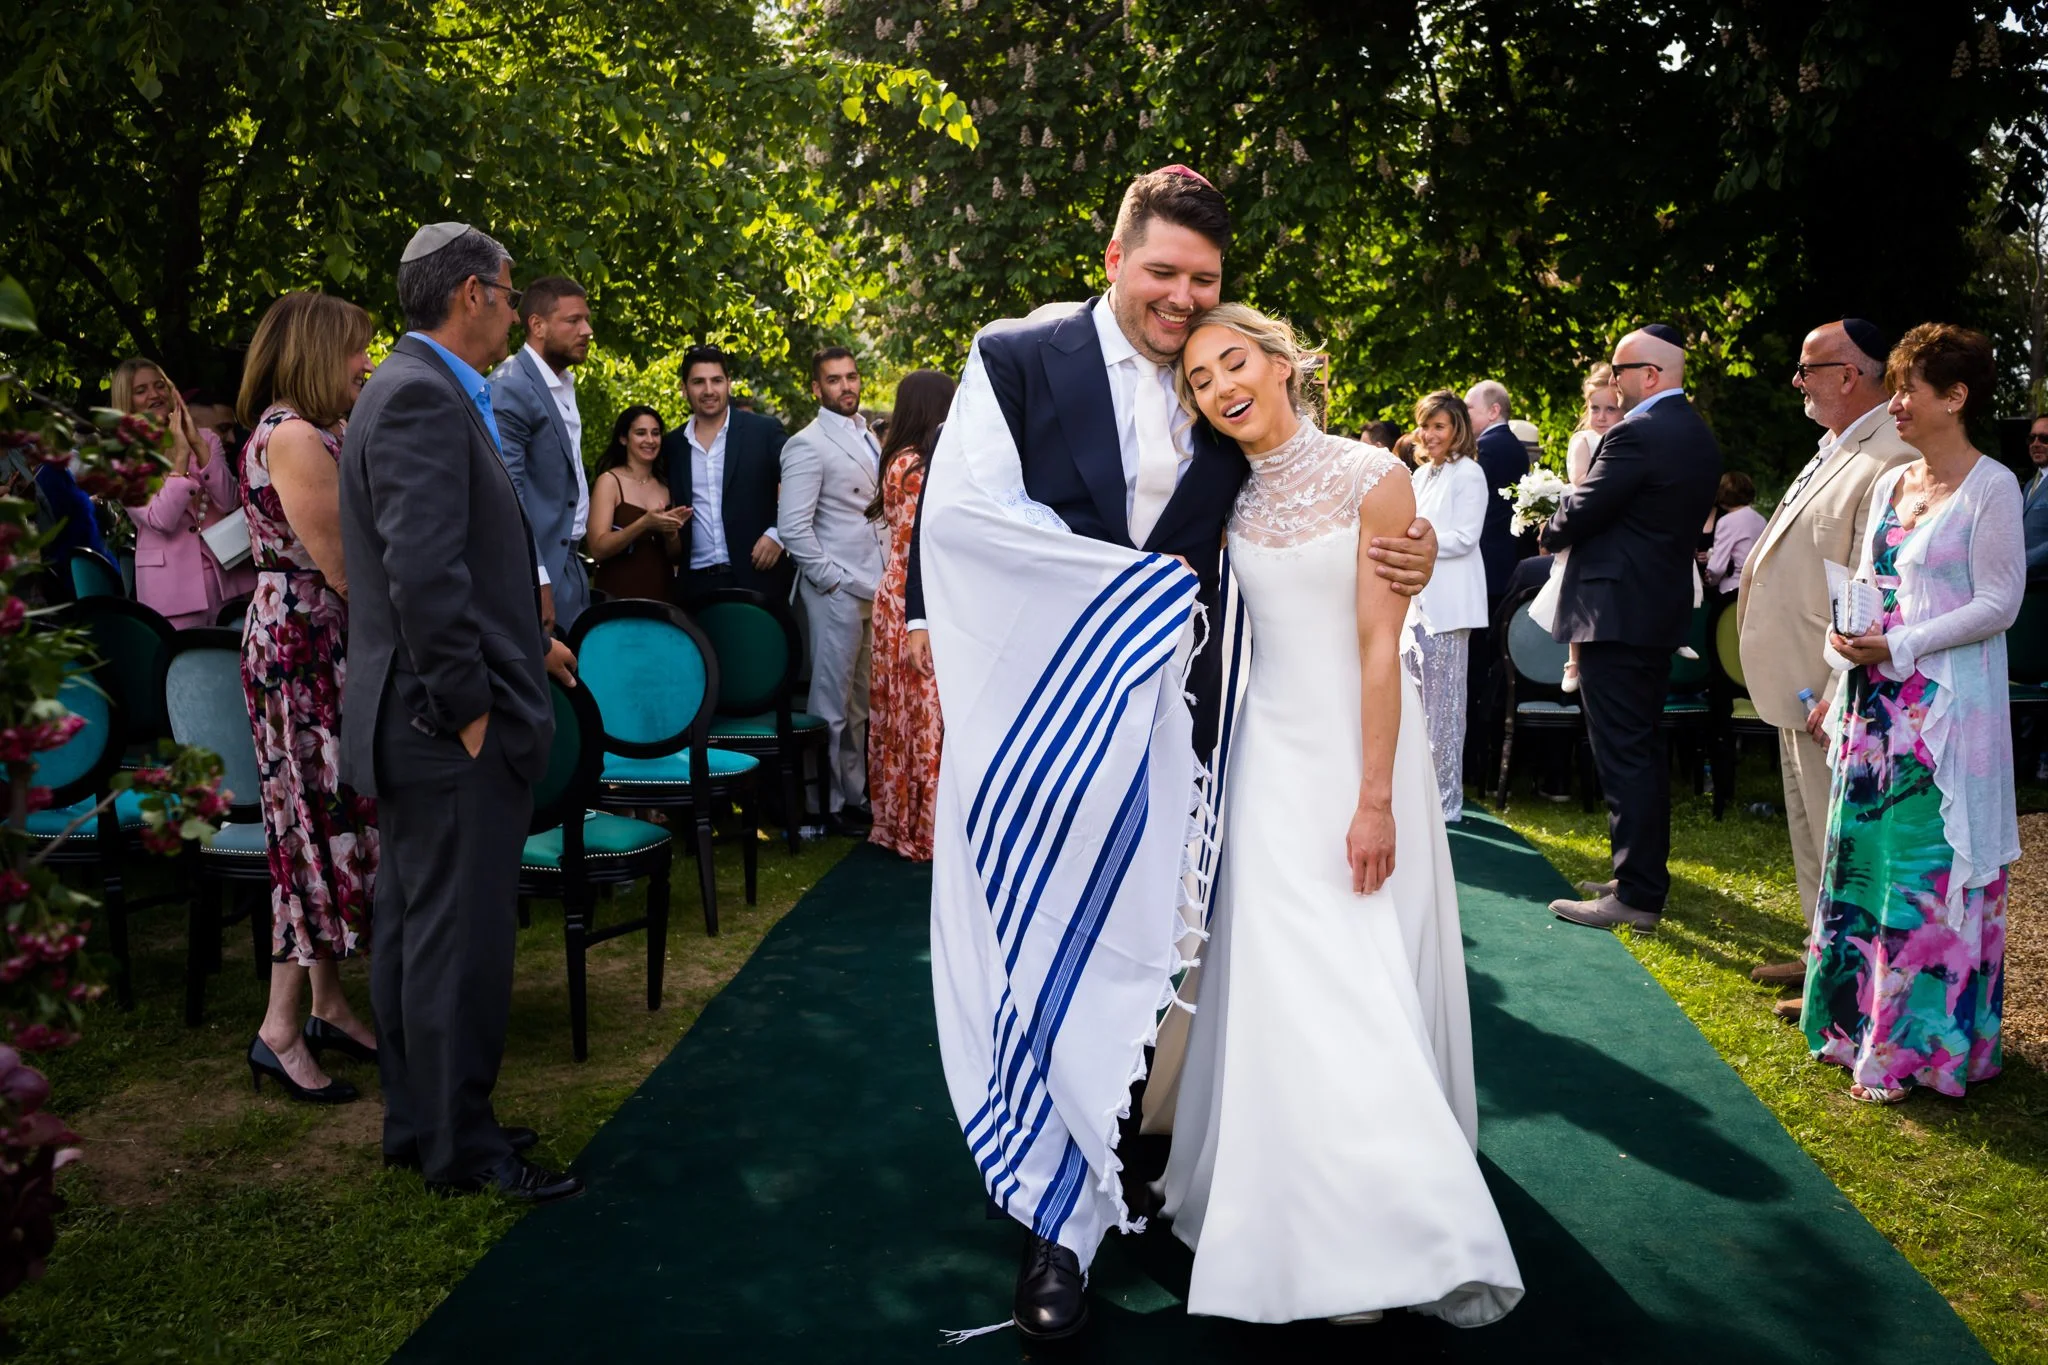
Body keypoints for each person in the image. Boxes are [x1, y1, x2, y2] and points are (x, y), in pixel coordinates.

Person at [919, 166, 1440, 1346]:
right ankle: (1053, 1224)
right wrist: (1129, 603)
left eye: (1202, 280)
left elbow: (1319, 500)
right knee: (1044, 952)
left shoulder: (1223, 392)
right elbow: (962, 523)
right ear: (1112, 259)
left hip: (1190, 736)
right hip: (1045, 728)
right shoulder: (1013, 357)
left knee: (1163, 948)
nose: (1180, 297)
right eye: (1161, 272)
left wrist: (1413, 552)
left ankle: (1139, 1161)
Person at [1157, 306, 1520, 1325]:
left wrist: (1372, 801)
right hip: (1261, 758)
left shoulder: (1372, 478)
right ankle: (1282, 1207)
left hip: (1359, 754)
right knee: (1286, 974)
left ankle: (1389, 1221)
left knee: (1352, 968)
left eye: (1234, 362)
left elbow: (1376, 649)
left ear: (1281, 366)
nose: (1220, 385)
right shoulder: (1217, 490)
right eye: (1197, 377)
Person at [337, 221, 581, 1204]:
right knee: (456, 941)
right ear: (471, 293)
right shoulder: (418, 399)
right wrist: (472, 710)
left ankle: (426, 1123)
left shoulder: (417, 391)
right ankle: (463, 1148)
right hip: (442, 727)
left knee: (416, 931)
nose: (516, 310)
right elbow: (422, 578)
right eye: (510, 291)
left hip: (427, 721)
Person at [1804, 323, 2018, 1104]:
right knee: (1866, 870)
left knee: (1923, 879)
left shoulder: (1992, 486)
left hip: (1943, 717)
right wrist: (1840, 657)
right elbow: (1866, 584)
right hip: (1874, 712)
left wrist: (1901, 645)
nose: (1893, 402)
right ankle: (1852, 1027)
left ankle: (1919, 1050)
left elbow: (2001, 602)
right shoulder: (1895, 483)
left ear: (1955, 397)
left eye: (1908, 388)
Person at [1738, 319, 1915, 997]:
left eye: (1808, 368)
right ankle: (1821, 952)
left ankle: (1846, 977)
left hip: (1830, 677)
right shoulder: (1837, 444)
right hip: (1794, 675)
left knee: (1843, 834)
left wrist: (1840, 682)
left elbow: (1871, 582)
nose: (1796, 379)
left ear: (1849, 375)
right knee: (1810, 827)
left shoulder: (1890, 455)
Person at [235, 292, 382, 1104]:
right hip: (303, 648)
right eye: (357, 349)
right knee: (306, 830)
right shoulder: (292, 435)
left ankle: (326, 1003)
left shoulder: (305, 427)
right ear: (318, 350)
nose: (366, 362)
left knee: (317, 826)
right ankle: (280, 1027)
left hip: (308, 640)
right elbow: (346, 569)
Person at [1541, 325, 1720, 932]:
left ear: (1651, 376)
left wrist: (1550, 525)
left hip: (1615, 614)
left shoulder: (1637, 433)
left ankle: (1639, 894)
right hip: (1654, 609)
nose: (1613, 386)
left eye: (1620, 373)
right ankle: (1635, 873)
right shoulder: (1697, 434)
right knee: (1637, 748)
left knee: (1625, 755)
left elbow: (1585, 507)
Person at [778, 346, 887, 834]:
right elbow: (794, 528)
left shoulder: (869, 434)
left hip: (876, 585)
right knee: (828, 705)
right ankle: (821, 807)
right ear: (816, 388)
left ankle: (853, 794)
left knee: (860, 704)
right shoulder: (807, 444)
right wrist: (834, 580)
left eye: (851, 376)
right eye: (834, 380)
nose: (846, 386)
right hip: (836, 590)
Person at [865, 370, 954, 862]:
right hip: (916, 596)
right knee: (924, 713)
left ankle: (898, 818)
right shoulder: (919, 467)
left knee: (902, 714)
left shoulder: (896, 459)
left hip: (893, 593)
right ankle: (925, 827)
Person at [110, 357, 257, 626]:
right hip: (172, 592)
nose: (154, 394)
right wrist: (180, 456)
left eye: (159, 385)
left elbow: (228, 500)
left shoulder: (206, 438)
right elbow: (162, 520)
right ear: (127, 402)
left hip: (231, 579)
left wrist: (198, 446)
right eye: (141, 390)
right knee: (191, 667)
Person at [489, 276, 594, 637]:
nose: (587, 330)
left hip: (570, 561)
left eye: (587, 319)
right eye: (573, 321)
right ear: (537, 325)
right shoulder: (512, 387)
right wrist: (538, 578)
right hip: (539, 567)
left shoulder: (561, 383)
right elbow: (509, 494)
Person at [1408, 389, 1490, 821]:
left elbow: (1465, 537)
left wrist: (1419, 542)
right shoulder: (1421, 476)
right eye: (1425, 425)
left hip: (1450, 602)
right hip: (1415, 600)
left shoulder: (1469, 473)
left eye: (1439, 425)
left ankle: (1444, 801)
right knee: (1415, 704)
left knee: (1444, 706)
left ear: (1457, 429)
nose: (1430, 433)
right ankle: (1414, 793)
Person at [661, 344, 790, 600]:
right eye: (698, 382)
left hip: (759, 577)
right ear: (684, 389)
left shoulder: (763, 432)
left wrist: (779, 533)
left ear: (728, 384)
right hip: (695, 584)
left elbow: (803, 484)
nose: (709, 390)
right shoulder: (671, 446)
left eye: (716, 380)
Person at [1532, 363, 1626, 693]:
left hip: (1617, 525)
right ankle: (1573, 658)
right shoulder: (1584, 440)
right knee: (1577, 589)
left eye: (1610, 409)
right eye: (1594, 408)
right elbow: (1580, 483)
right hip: (1588, 520)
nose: (1601, 416)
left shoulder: (1628, 437)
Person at [588, 405, 687, 602]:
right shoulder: (610, 481)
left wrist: (671, 534)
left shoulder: (667, 485)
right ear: (623, 438)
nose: (650, 440)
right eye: (641, 433)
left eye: (656, 433)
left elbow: (675, 556)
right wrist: (643, 524)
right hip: (617, 595)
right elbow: (597, 548)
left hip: (662, 596)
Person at [1464, 379, 1528, 605]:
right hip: (1506, 558)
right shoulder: (1517, 447)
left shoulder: (1483, 448)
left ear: (1494, 411)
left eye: (1469, 407)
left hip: (1484, 560)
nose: (1463, 413)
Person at [1703, 472, 1764, 597]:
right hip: (1755, 590)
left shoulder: (1726, 521)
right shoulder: (1761, 520)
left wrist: (1708, 580)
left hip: (1732, 589)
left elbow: (1717, 567)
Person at [2022, 414, 2048, 584]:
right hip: (2024, 586)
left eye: (2044, 438)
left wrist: (2022, 562)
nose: (2036, 444)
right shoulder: (2030, 484)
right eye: (2032, 438)